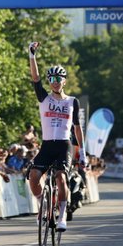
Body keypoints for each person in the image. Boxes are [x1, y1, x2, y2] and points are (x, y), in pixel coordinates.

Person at [27, 41, 85, 231]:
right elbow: (35, 78)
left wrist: (82, 153)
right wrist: (32, 56)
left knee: (61, 178)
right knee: (34, 177)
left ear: (64, 81)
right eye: (52, 79)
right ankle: (41, 207)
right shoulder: (44, 98)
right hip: (47, 145)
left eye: (58, 79)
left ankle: (62, 217)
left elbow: (77, 128)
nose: (55, 82)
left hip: (63, 146)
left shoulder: (72, 102)